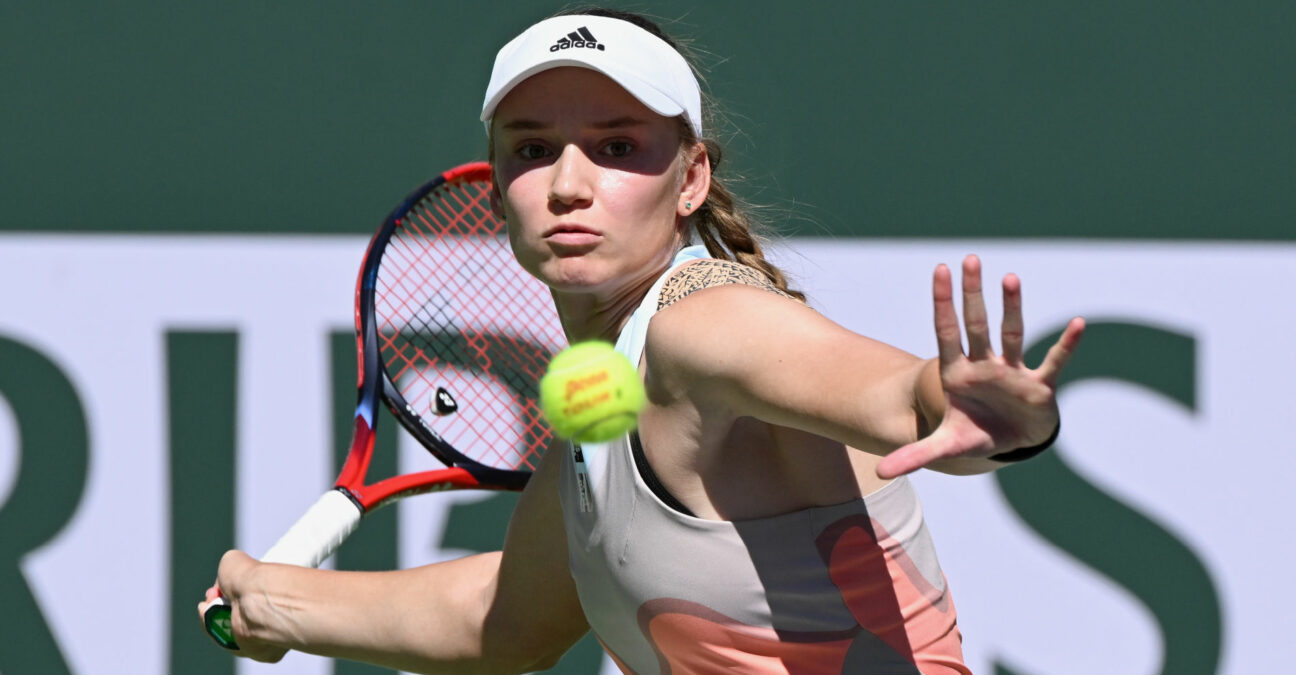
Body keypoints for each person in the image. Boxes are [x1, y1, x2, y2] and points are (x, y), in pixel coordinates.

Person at [200, 8, 1084, 673]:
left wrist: (970, 413)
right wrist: (273, 602)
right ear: (500, 176)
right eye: (533, 147)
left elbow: (893, 396)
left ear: (691, 178)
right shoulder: (604, 406)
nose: (569, 183)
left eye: (617, 146)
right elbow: (503, 618)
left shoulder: (704, 321)